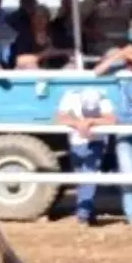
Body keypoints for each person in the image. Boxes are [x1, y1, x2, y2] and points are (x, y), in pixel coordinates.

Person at [56, 87, 115, 227]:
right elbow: (59, 118)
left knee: (89, 175)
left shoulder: (103, 98)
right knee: (81, 177)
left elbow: (111, 119)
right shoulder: (70, 96)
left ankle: (83, 214)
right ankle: (88, 210)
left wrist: (90, 122)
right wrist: (77, 124)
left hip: (96, 141)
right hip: (76, 142)